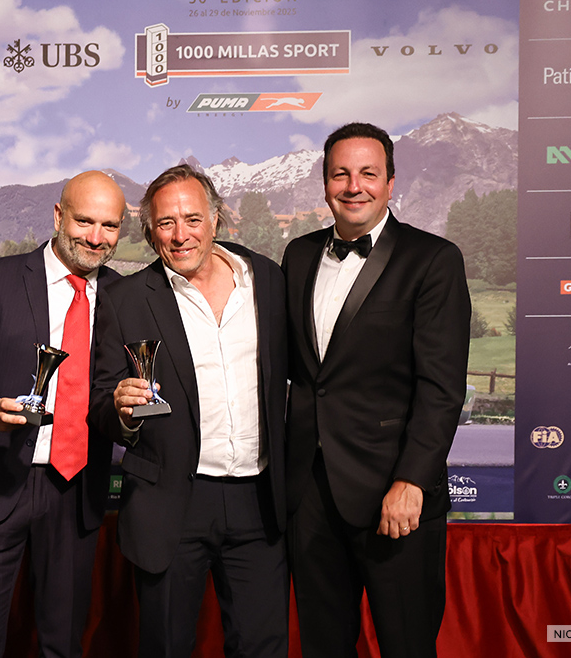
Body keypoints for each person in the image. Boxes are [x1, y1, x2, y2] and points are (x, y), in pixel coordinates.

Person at [281, 122, 471, 657]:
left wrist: (412, 480)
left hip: (395, 493)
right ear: (324, 183)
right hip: (310, 495)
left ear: (390, 182)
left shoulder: (433, 259)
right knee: (323, 645)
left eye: (368, 173)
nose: (353, 186)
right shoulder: (298, 255)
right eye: (340, 174)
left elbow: (441, 388)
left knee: (407, 644)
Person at [90, 164, 290, 658]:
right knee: (166, 647)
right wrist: (121, 410)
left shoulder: (266, 278)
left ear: (216, 219)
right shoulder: (124, 299)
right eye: (166, 223)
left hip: (259, 501)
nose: (181, 235)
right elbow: (99, 403)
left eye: (193, 219)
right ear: (150, 231)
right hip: (171, 504)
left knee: (263, 648)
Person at [0, 170, 126, 658]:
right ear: (58, 216)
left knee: (63, 644)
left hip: (76, 488)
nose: (96, 238)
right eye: (84, 221)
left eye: (109, 226)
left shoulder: (126, 296)